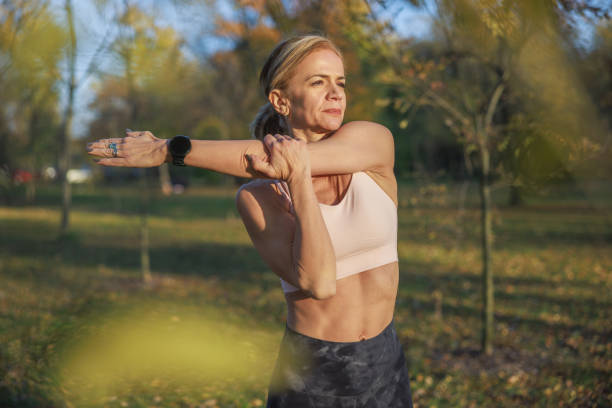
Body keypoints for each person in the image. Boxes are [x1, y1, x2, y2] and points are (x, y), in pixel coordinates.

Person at [87, 34, 413, 408]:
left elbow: (281, 155)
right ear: (281, 100)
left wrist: (166, 149)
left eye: (340, 82)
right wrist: (298, 181)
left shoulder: (373, 142)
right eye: (318, 82)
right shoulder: (259, 198)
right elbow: (319, 283)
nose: (336, 93)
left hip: (386, 364)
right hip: (312, 374)